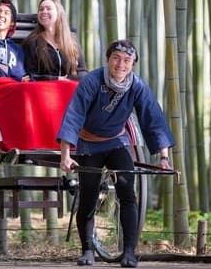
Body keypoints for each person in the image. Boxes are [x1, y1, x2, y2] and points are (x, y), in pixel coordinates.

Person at [57, 39, 175, 267]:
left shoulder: (136, 85)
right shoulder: (92, 80)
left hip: (117, 141)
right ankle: (87, 250)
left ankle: (129, 252)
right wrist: (65, 155)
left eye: (127, 61)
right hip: (89, 143)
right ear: (108, 59)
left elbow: (154, 120)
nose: (121, 64)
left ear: (133, 64)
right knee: (89, 195)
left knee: (126, 191)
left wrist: (164, 157)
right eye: (116, 59)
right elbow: (73, 116)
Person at [22, 0, 87, 81]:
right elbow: (30, 76)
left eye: (48, 8)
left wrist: (67, 80)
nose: (44, 11)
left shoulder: (72, 40)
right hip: (45, 90)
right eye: (41, 9)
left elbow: (83, 72)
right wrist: (57, 79)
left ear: (58, 13)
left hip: (70, 88)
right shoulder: (32, 42)